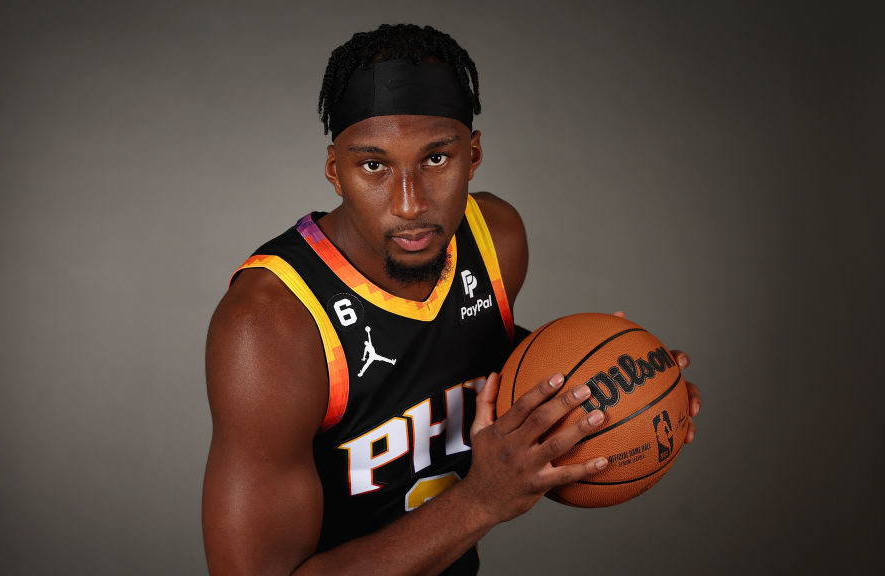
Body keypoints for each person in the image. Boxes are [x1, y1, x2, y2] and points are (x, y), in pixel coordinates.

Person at [202, 23, 701, 575]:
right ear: (334, 170)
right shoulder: (271, 324)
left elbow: (462, 354)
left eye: (436, 159)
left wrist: (623, 384)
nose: (411, 202)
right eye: (374, 165)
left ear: (474, 154)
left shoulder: (496, 240)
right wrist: (479, 503)